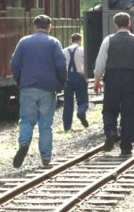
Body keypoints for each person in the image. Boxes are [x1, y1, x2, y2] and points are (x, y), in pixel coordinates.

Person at [9, 15, 67, 168]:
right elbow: (61, 65)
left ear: (34, 26)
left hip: (28, 87)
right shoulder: (54, 42)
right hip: (48, 88)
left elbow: (14, 63)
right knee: (46, 124)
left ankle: (24, 142)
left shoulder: (24, 41)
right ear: (50, 26)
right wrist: (61, 83)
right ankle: (46, 158)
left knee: (26, 119)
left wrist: (20, 80)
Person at [92, 12, 134, 156]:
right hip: (131, 78)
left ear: (115, 25)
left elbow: (100, 62)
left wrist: (97, 79)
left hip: (112, 78)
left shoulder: (108, 40)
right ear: (129, 23)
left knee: (109, 109)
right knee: (129, 112)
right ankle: (126, 146)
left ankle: (111, 132)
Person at [62, 33, 89, 131]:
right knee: (83, 100)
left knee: (68, 103)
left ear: (71, 40)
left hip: (67, 78)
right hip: (80, 77)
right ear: (80, 40)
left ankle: (67, 127)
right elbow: (86, 65)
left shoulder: (64, 51)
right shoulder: (82, 50)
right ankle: (81, 112)